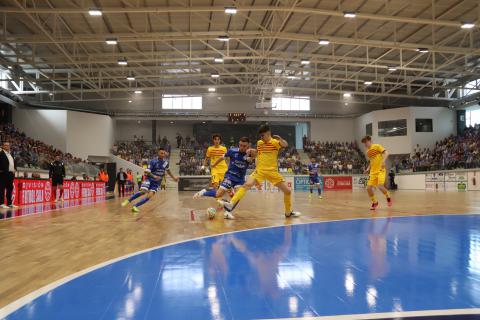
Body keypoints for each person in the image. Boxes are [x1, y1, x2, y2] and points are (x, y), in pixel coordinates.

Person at [218, 124, 301, 218]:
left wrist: (280, 139)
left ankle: (288, 212)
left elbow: (285, 145)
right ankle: (231, 204)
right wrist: (251, 150)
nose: (261, 137)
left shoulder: (275, 142)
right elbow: (258, 153)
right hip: (260, 171)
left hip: (272, 172)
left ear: (268, 133)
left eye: (263, 135)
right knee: (246, 185)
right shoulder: (259, 143)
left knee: (288, 191)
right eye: (260, 136)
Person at [194, 137, 255, 219]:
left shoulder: (250, 153)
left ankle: (227, 212)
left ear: (248, 146)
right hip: (229, 176)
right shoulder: (232, 151)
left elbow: (255, 154)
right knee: (218, 194)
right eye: (240, 145)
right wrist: (214, 165)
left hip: (240, 179)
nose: (242, 147)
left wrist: (251, 152)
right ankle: (204, 191)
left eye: (244, 146)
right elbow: (222, 158)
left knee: (237, 196)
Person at [121, 148, 179, 213]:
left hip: (157, 183)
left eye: (164, 153)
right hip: (149, 179)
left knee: (149, 196)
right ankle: (128, 200)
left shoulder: (165, 163)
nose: (163, 154)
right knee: (143, 191)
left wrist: (174, 178)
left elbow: (168, 171)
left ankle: (135, 206)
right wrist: (154, 176)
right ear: (158, 153)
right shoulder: (153, 161)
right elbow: (147, 172)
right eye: (161, 153)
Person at [361, 135, 393, 210]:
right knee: (368, 188)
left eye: (366, 142)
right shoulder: (367, 152)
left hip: (380, 170)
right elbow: (371, 161)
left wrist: (383, 161)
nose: (365, 144)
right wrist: (368, 169)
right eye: (364, 143)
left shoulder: (377, 146)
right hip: (372, 172)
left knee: (380, 186)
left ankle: (388, 197)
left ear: (370, 141)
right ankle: (375, 202)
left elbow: (386, 153)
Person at [0, 141, 17, 209]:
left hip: (10, 174)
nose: (7, 146)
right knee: (2, 188)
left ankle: (9, 203)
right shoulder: (1, 153)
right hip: (3, 173)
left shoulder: (11, 154)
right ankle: (1, 203)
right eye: (5, 145)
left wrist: (15, 169)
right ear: (3, 146)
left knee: (10, 188)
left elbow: (13, 163)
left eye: (8, 145)